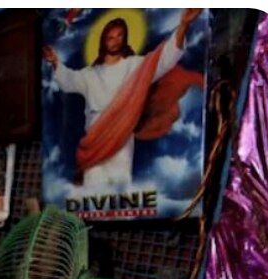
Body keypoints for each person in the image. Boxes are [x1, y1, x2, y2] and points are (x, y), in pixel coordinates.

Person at [44, 8, 203, 187]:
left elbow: (164, 58)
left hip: (122, 134)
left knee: (120, 185)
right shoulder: (90, 74)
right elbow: (68, 80)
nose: (116, 41)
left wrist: (183, 25)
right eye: (111, 37)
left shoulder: (135, 66)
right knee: (93, 185)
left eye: (120, 36)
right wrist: (55, 62)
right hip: (95, 135)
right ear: (103, 41)